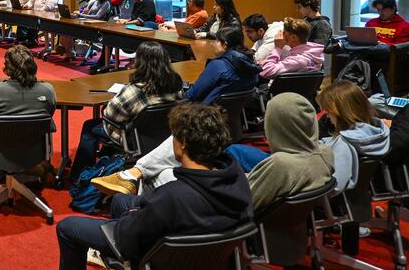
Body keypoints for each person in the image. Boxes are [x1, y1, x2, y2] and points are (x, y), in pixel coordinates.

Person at [56, 104, 253, 270]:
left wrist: (133, 215)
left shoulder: (173, 195)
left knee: (67, 227)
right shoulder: (237, 179)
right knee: (119, 199)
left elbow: (126, 238)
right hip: (207, 249)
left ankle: (123, 261)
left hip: (161, 253)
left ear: (182, 143)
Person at [91, 93, 335, 216]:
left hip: (218, 210)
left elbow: (244, 202)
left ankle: (136, 189)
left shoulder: (282, 165)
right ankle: (135, 177)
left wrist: (216, 175)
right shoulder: (323, 154)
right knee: (173, 165)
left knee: (161, 175)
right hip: (234, 195)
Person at [70, 42, 183, 179]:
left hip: (133, 138)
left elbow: (109, 115)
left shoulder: (134, 90)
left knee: (90, 126)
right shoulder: (176, 85)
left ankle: (79, 175)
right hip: (163, 136)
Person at [317, 81, 389, 196]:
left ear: (340, 112)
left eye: (328, 110)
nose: (327, 115)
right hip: (359, 199)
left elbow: (335, 187)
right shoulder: (378, 132)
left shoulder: (343, 144)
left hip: (333, 205)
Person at [184, 27, 261, 104]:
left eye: (217, 41)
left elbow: (192, 95)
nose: (213, 43)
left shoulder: (217, 66)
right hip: (234, 114)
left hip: (205, 112)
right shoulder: (251, 65)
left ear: (225, 44)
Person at [0, 45, 56, 119]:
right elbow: (50, 113)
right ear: (33, 65)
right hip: (36, 130)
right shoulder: (48, 90)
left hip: (4, 130)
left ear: (8, 67)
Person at [259, 17, 324, 80]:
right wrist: (268, 62)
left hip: (282, 90)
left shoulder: (297, 61)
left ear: (293, 37)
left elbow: (266, 71)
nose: (281, 35)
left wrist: (277, 49)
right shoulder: (312, 53)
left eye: (284, 33)